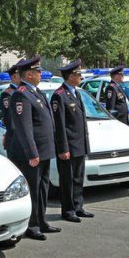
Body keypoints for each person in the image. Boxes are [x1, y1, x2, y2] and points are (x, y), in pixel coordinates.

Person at [9, 55, 60, 241]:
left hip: (44, 151)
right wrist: (32, 152)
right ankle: (32, 225)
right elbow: (24, 127)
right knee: (33, 189)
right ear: (29, 75)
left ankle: (42, 220)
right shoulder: (21, 94)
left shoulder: (37, 92)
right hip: (33, 153)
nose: (40, 74)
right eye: (37, 71)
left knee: (43, 188)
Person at [50, 59, 93, 223]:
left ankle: (78, 206)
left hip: (79, 144)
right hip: (68, 146)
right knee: (67, 180)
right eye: (78, 74)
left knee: (78, 178)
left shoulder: (76, 93)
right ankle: (68, 210)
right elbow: (59, 125)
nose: (81, 76)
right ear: (70, 76)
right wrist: (63, 148)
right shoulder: (59, 96)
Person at [0, 60, 23, 159]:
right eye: (21, 74)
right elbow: (11, 121)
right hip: (16, 142)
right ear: (14, 77)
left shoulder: (24, 91)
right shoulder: (8, 94)